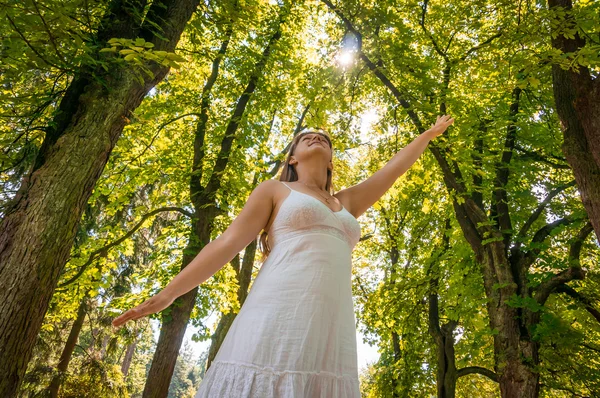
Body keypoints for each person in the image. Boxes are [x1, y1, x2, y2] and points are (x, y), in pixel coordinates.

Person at [111, 115, 454, 397]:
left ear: (332, 159)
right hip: (277, 313)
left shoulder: (346, 203)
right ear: (292, 158)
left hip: (330, 324)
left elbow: (391, 170)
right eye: (306, 137)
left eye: (324, 138)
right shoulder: (276, 190)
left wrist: (427, 134)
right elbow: (228, 242)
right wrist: (170, 293)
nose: (316, 137)